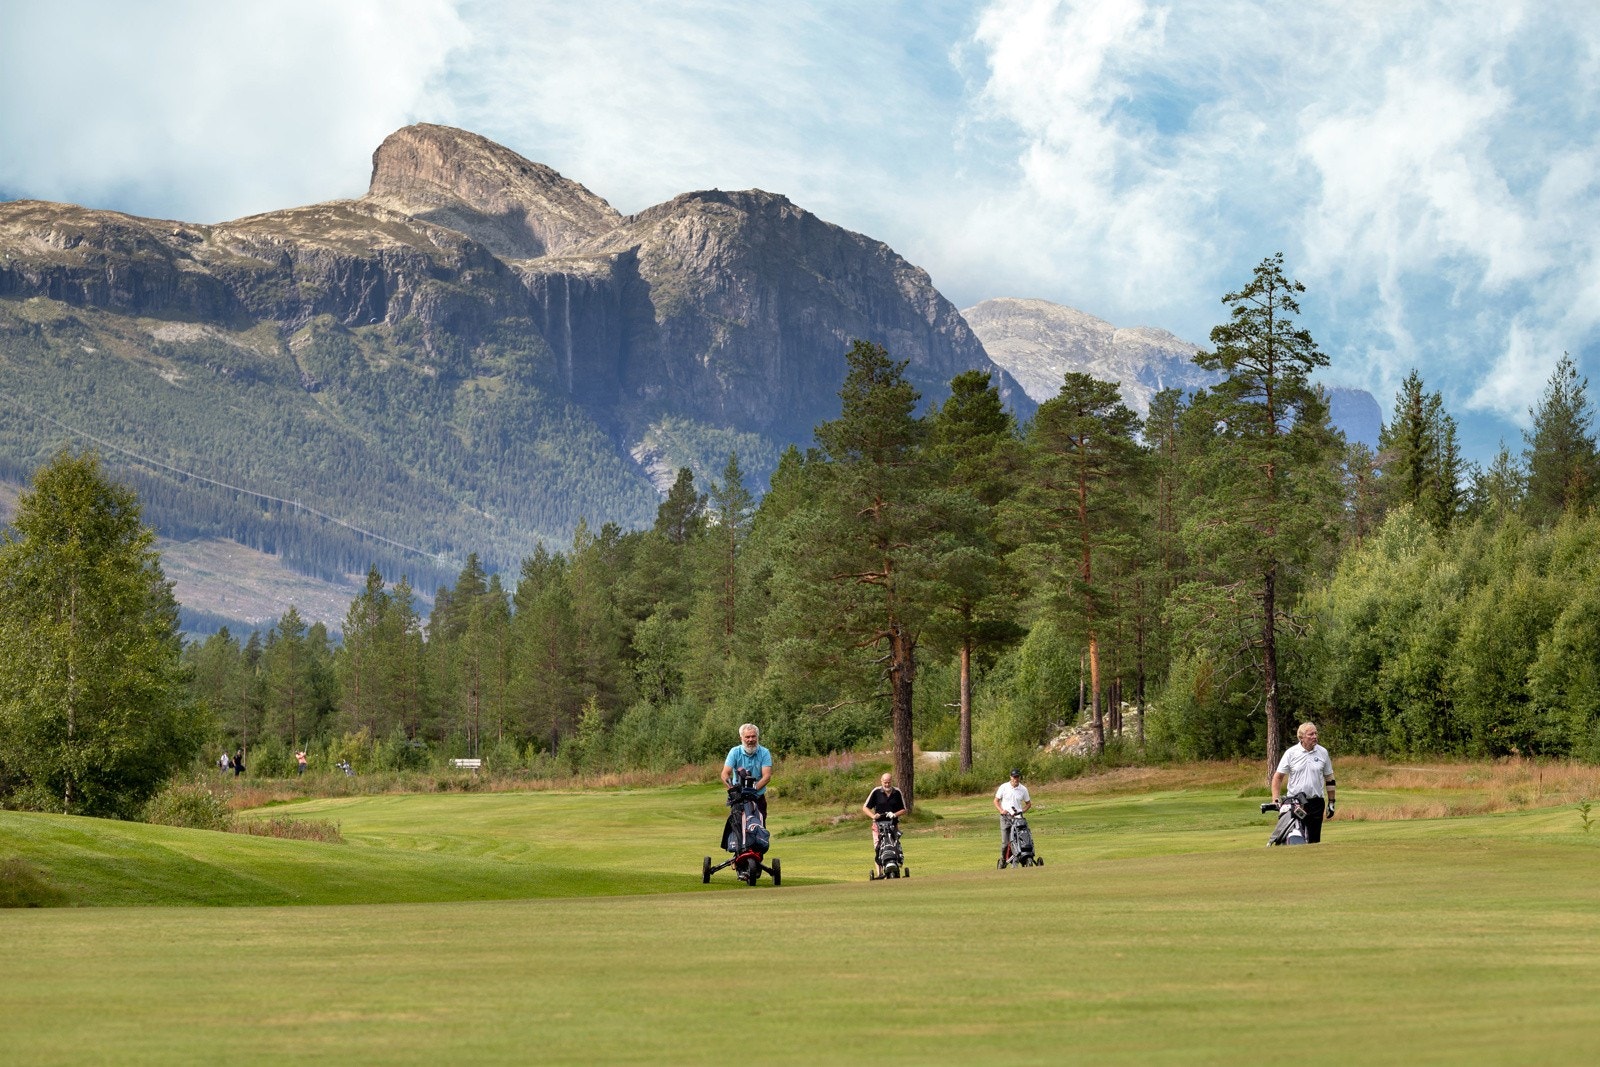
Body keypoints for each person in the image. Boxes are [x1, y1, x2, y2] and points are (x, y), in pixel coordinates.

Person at [1271, 722, 1336, 844]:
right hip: (1296, 803)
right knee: (1297, 837)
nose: (1315, 736)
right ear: (1301, 737)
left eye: (1316, 733)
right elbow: (1278, 777)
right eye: (1311, 734)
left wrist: (1331, 802)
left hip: (1316, 803)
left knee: (1314, 840)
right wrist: (1275, 798)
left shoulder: (1322, 752)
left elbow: (1329, 778)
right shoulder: (1291, 753)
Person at [719, 724, 772, 849]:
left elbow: (766, 776)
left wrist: (752, 790)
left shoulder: (764, 753)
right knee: (738, 826)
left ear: (757, 737)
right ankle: (737, 854)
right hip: (739, 799)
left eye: (753, 736)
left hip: (758, 798)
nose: (750, 740)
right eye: (747, 737)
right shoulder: (735, 752)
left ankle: (757, 858)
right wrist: (732, 789)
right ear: (741, 738)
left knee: (759, 827)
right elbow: (725, 773)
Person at [862, 772, 908, 878]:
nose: (887, 785)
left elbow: (904, 809)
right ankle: (880, 873)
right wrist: (873, 816)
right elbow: (865, 807)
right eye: (885, 782)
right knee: (879, 848)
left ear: (891, 781)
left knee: (894, 845)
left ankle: (894, 866)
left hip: (893, 825)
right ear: (881, 781)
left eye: (889, 782)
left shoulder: (897, 792)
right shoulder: (876, 792)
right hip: (878, 825)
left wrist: (894, 814)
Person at [993, 768, 1031, 864]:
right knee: (1005, 843)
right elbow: (996, 801)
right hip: (1005, 818)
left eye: (1017, 777)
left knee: (1020, 840)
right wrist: (1001, 810)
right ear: (1010, 777)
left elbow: (1028, 804)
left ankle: (1022, 858)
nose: (1016, 779)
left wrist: (1022, 810)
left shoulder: (1023, 789)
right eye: (1014, 777)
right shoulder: (1004, 787)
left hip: (1018, 818)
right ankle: (1003, 860)